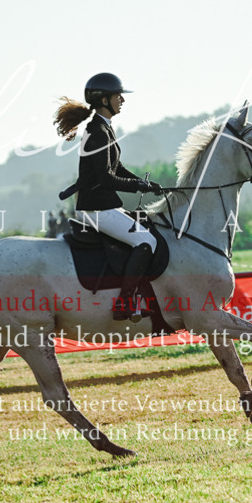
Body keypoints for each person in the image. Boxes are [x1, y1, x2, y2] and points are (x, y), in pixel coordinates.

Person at [55, 73, 162, 322]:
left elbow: (117, 168)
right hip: (96, 209)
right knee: (146, 242)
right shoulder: (97, 131)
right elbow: (106, 178)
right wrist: (136, 186)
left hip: (102, 206)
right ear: (104, 99)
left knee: (147, 232)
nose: (122, 100)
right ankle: (125, 303)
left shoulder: (103, 128)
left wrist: (143, 183)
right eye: (117, 96)